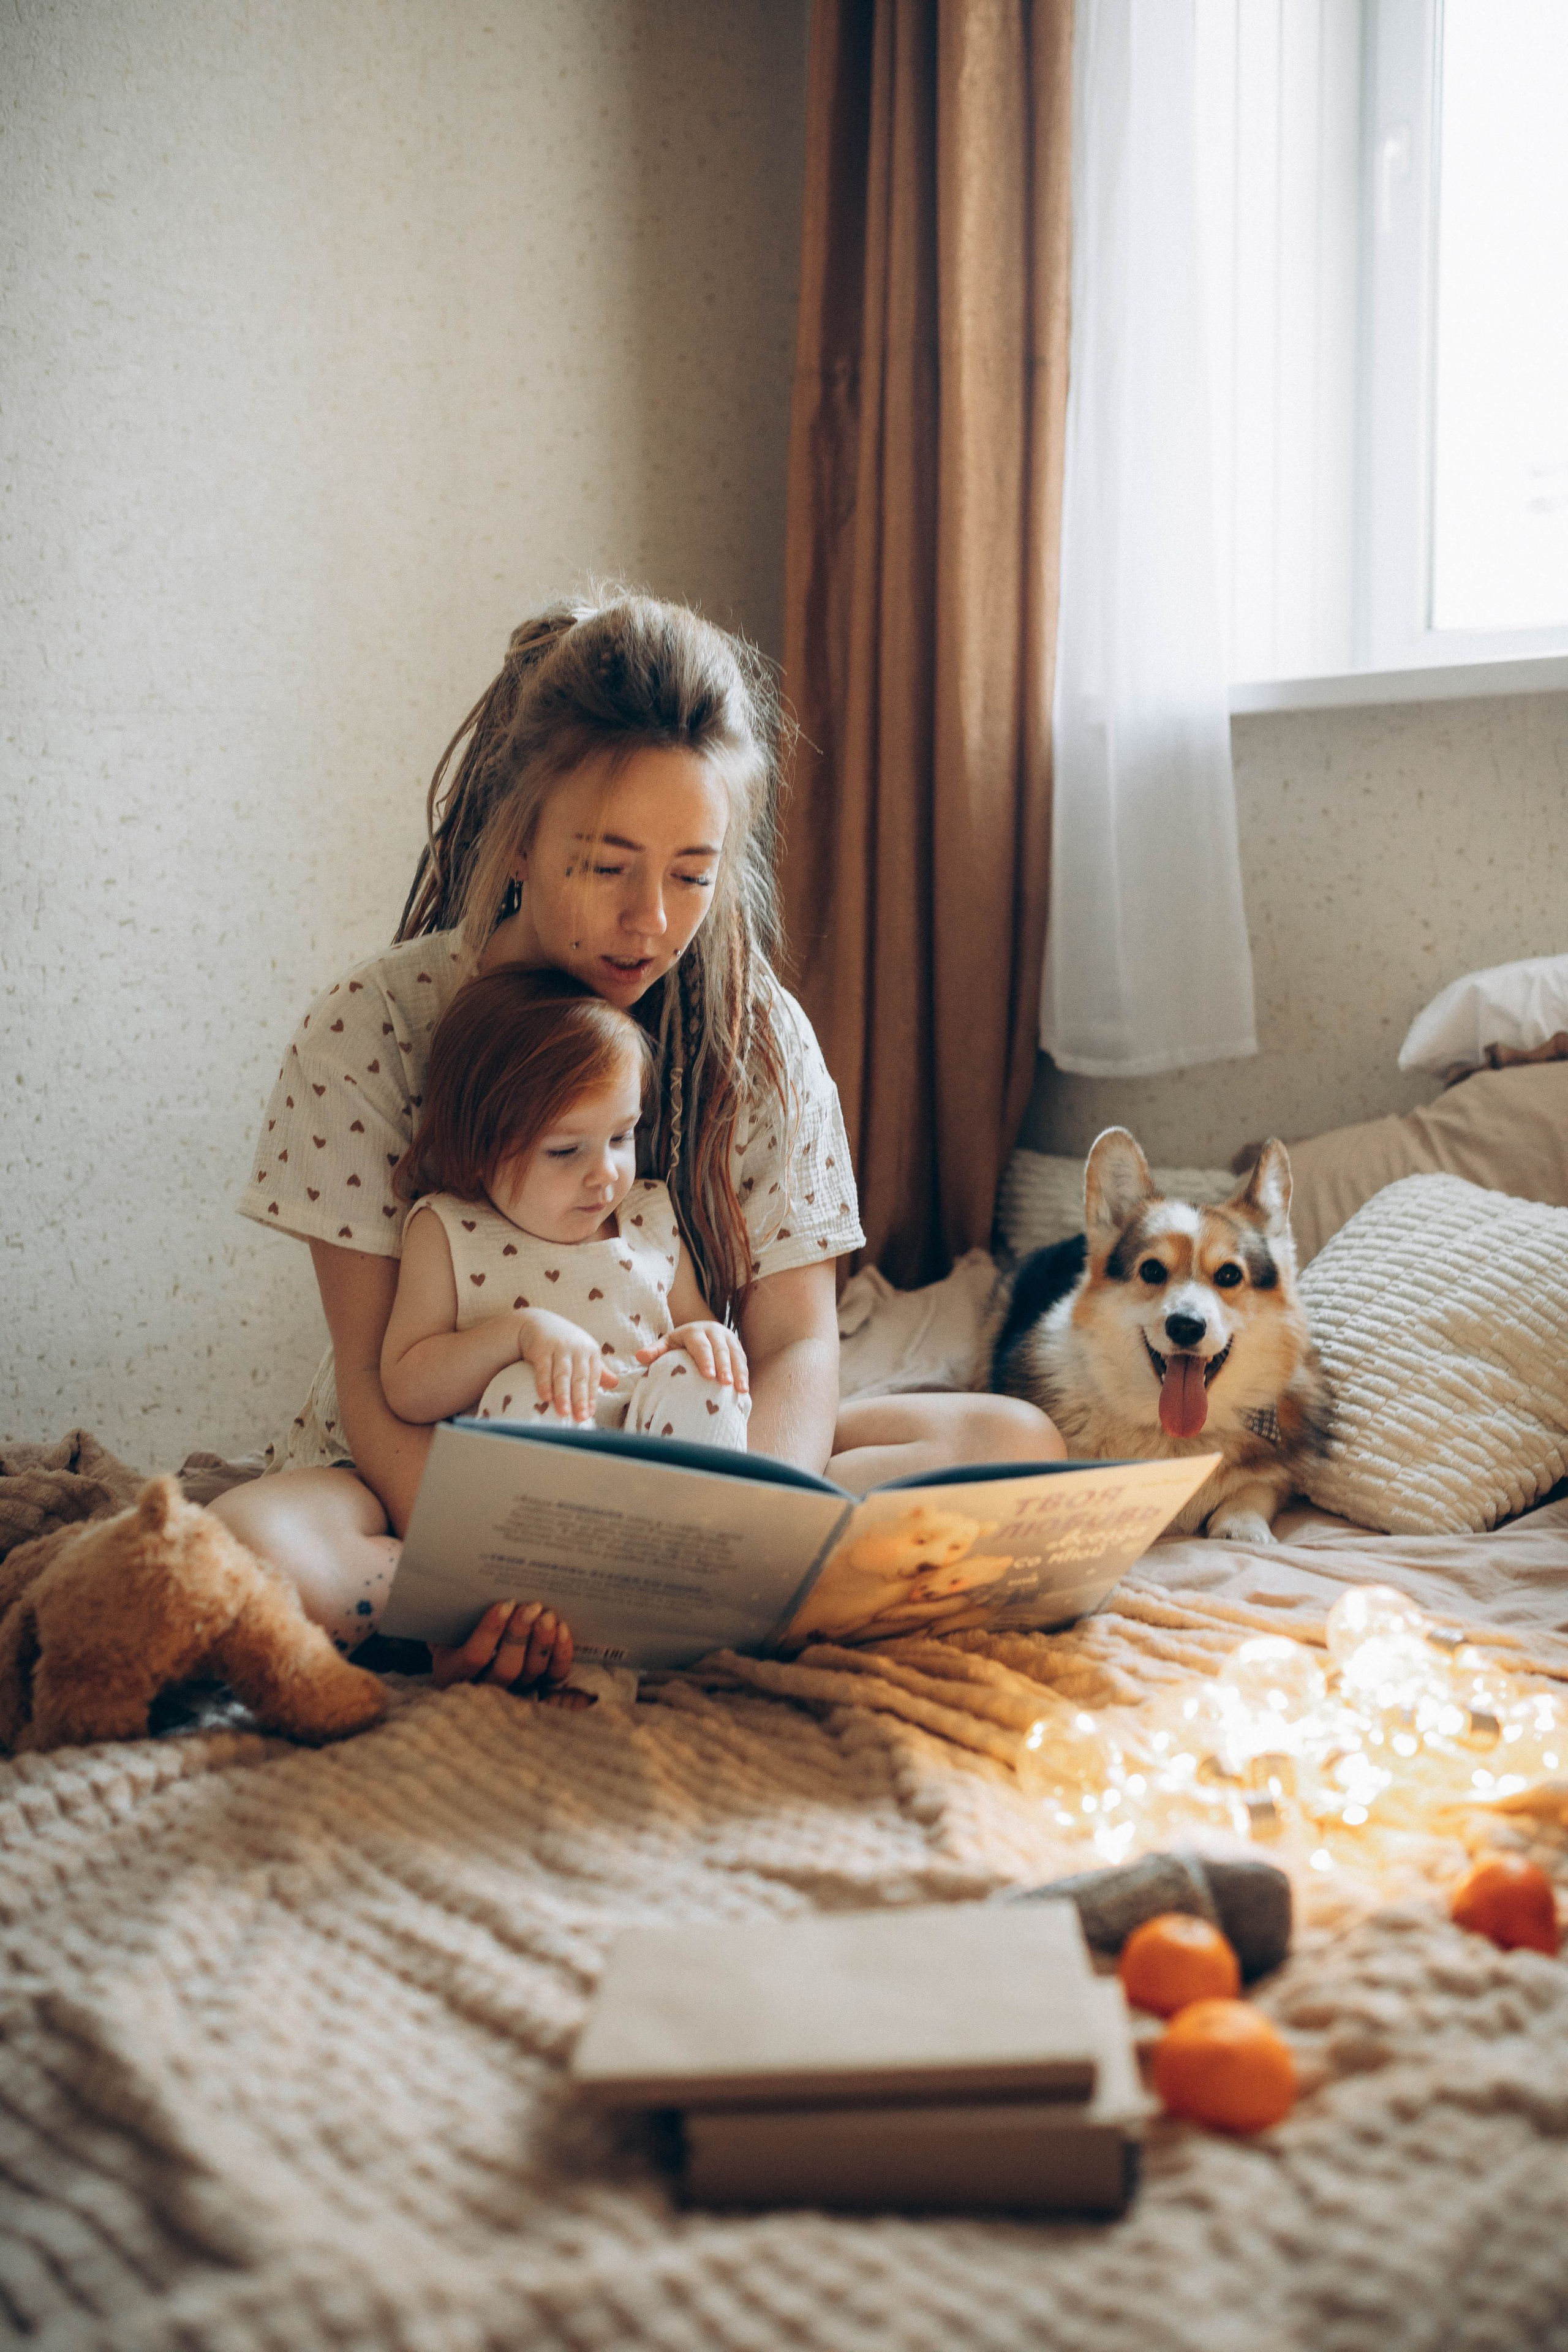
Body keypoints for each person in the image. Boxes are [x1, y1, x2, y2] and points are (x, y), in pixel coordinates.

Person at [213, 592, 1061, 1693]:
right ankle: (514, 1616)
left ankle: (721, 1597)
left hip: (693, 1448)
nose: (652, 921)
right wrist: (512, 1568)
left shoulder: (758, 1039)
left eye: (692, 875)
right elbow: (383, 1390)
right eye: (609, 867)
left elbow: (797, 1343)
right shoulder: (371, 1029)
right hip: (427, 1469)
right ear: (520, 837)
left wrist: (737, 1541)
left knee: (1015, 1451)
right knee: (259, 1554)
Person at [380, 964, 750, 1449]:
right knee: (528, 1384)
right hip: (543, 1485)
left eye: (621, 1137)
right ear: (477, 1151)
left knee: (703, 1373)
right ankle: (549, 1519)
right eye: (564, 1151)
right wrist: (519, 1334)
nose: (607, 1173)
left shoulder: (649, 1216)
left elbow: (690, 1324)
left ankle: (703, 1514)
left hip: (654, 1460)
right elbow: (407, 1386)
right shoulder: (450, 1230)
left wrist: (709, 1338)